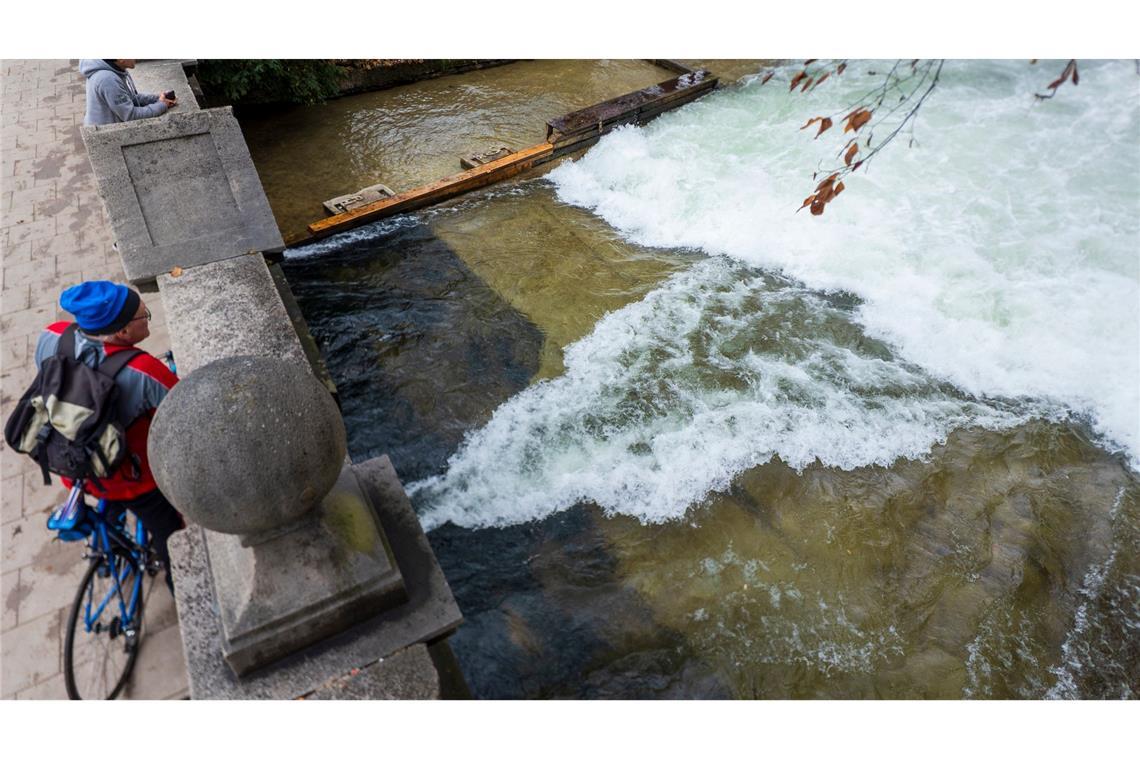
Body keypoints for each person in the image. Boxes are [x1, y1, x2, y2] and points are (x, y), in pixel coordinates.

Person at [34, 281, 183, 589]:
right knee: (174, 540)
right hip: (134, 481)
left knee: (108, 507)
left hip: (73, 467)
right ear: (123, 333)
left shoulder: (51, 335)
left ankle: (108, 553)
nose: (148, 318)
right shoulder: (144, 371)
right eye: (145, 315)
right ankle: (182, 586)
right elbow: (187, 415)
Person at [79, 59, 177, 126]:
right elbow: (131, 115)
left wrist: (156, 98)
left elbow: (131, 97)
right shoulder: (107, 79)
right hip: (108, 137)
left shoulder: (116, 69)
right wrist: (162, 105)